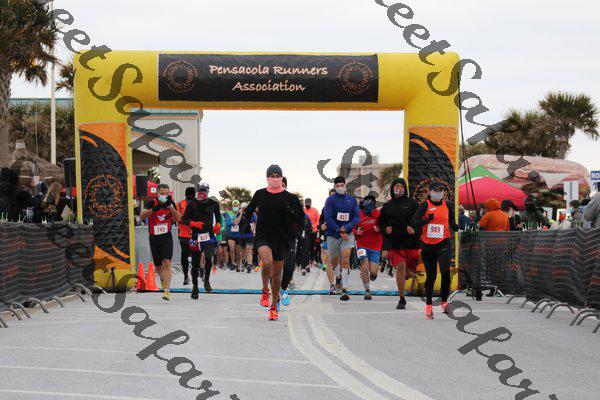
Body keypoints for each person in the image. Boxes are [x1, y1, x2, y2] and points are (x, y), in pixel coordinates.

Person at [245, 165, 304, 321]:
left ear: (282, 177)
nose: (275, 178)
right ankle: (265, 290)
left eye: (278, 175)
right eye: (272, 175)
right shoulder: (260, 194)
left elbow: (300, 218)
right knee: (267, 261)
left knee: (277, 276)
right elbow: (249, 210)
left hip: (281, 239)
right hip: (263, 236)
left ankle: (273, 307)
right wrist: (246, 225)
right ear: (267, 177)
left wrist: (291, 213)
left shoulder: (291, 198)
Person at [412, 181, 458, 320]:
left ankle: (444, 302)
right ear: (430, 192)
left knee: (445, 272)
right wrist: (426, 219)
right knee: (431, 277)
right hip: (428, 245)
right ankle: (429, 305)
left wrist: (454, 226)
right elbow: (415, 222)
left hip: (443, 243)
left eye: (441, 190)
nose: (439, 193)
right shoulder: (425, 205)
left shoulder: (447, 205)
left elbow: (451, 220)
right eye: (436, 190)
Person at [378, 178, 420, 309]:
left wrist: (414, 229)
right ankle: (402, 298)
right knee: (400, 266)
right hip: (395, 242)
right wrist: (385, 229)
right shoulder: (387, 206)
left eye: (401, 186)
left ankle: (407, 273)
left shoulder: (413, 204)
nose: (399, 188)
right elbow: (380, 223)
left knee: (411, 273)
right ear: (392, 188)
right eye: (396, 186)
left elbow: (420, 220)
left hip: (411, 242)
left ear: (405, 188)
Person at [140, 184, 181, 301]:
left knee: (167, 263)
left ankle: (167, 291)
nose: (164, 195)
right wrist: (154, 209)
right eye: (162, 193)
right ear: (157, 193)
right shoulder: (151, 203)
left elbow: (178, 218)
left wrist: (171, 208)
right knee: (158, 267)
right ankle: (162, 279)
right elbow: (142, 216)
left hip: (166, 237)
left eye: (167, 193)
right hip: (154, 238)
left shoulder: (171, 203)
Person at [323, 176, 360, 301]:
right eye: (337, 186)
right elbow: (328, 218)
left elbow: (357, 217)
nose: (340, 187)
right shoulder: (330, 200)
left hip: (348, 234)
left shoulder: (351, 200)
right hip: (333, 234)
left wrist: (348, 227)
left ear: (345, 185)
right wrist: (339, 231)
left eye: (342, 185)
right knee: (334, 261)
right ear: (334, 186)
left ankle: (345, 289)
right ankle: (338, 276)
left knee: (345, 257)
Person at [182, 182, 221, 299]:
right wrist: (192, 223)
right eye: (200, 190)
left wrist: (218, 225)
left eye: (204, 190)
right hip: (195, 236)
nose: (202, 192)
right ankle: (195, 287)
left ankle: (206, 281)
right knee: (195, 263)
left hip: (208, 235)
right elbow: (184, 219)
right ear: (197, 191)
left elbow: (218, 217)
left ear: (208, 191)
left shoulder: (213, 203)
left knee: (208, 258)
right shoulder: (192, 203)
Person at [354, 195, 382, 300]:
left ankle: (372, 275)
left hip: (375, 246)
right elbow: (352, 227)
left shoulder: (378, 214)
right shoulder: (358, 214)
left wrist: (379, 229)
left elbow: (384, 226)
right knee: (364, 265)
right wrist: (356, 232)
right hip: (362, 245)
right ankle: (367, 291)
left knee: (373, 272)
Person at [177, 187, 196, 285]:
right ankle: (186, 276)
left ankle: (196, 271)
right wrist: (185, 220)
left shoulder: (198, 204)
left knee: (195, 254)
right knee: (184, 254)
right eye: (188, 195)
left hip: (195, 233)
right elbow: (177, 217)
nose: (190, 197)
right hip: (183, 233)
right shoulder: (180, 204)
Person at [319, 188, 337, 294]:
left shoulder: (345, 207)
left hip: (341, 237)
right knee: (329, 261)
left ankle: (339, 278)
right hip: (328, 237)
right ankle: (332, 285)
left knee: (340, 262)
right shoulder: (325, 208)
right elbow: (321, 222)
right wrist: (322, 226)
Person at [236, 201, 257, 273]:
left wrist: (254, 228)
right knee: (242, 250)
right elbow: (236, 222)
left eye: (246, 208)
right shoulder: (239, 214)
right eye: (243, 208)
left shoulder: (252, 214)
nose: (245, 209)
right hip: (241, 235)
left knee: (249, 249)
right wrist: (241, 213)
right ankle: (242, 262)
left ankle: (249, 265)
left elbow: (255, 222)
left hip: (249, 235)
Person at [304, 198, 320, 267]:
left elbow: (318, 221)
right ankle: (306, 260)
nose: (307, 206)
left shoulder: (315, 210)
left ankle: (312, 260)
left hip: (313, 231)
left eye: (308, 204)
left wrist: (312, 226)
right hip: (306, 231)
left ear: (310, 204)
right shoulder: (303, 210)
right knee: (306, 246)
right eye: (306, 204)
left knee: (312, 246)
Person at [224, 200, 241, 269]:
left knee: (239, 251)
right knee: (232, 248)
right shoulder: (228, 213)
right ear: (232, 206)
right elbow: (228, 223)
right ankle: (233, 263)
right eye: (234, 206)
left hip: (239, 234)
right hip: (230, 234)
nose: (235, 207)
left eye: (236, 206)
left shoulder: (241, 213)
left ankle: (239, 264)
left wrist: (235, 222)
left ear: (239, 206)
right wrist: (235, 222)